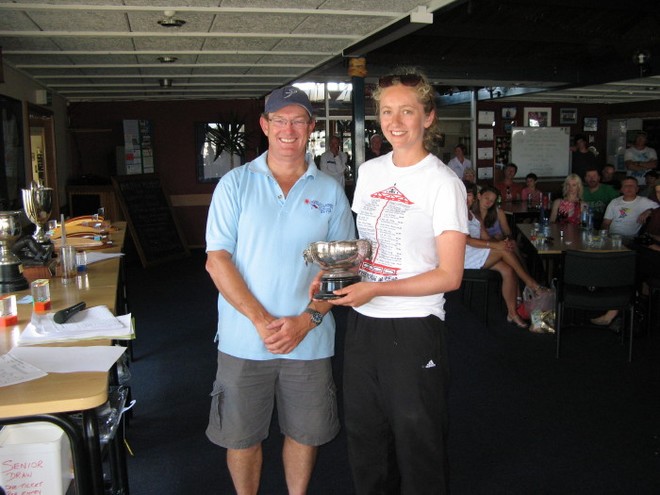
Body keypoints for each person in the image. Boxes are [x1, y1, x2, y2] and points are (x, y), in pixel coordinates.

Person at [204, 85, 355, 495]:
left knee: (305, 433)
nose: (289, 129)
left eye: (299, 121)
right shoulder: (234, 184)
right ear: (265, 126)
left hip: (310, 339)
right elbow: (216, 260)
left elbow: (343, 268)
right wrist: (262, 321)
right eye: (280, 120)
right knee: (242, 437)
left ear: (311, 128)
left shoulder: (329, 191)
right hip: (243, 340)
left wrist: (306, 321)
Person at [325, 69, 467, 494]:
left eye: (407, 111)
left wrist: (378, 288)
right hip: (364, 321)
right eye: (387, 111)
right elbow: (367, 245)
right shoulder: (369, 172)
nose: (396, 121)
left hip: (413, 325)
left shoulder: (443, 183)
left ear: (428, 117)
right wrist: (340, 269)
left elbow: (450, 275)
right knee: (365, 435)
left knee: (416, 437)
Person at [463, 181, 546, 329]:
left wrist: (501, 243)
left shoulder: (473, 215)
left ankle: (512, 313)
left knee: (508, 269)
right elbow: (466, 240)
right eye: (464, 194)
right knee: (503, 250)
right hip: (464, 257)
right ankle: (531, 284)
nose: (467, 198)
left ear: (474, 197)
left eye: (469, 195)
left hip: (476, 253)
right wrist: (497, 245)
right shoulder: (455, 213)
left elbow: (486, 237)